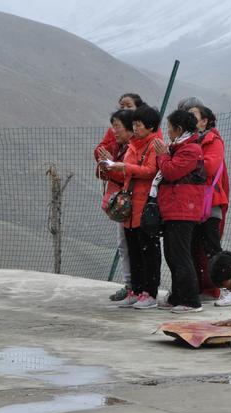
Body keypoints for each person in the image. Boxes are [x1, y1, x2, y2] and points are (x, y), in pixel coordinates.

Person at [105, 105, 162, 308]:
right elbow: (128, 173)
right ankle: (136, 291)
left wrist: (125, 167)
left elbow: (150, 170)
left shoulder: (155, 145)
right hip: (130, 208)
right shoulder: (132, 146)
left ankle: (150, 293)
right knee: (134, 250)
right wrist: (111, 167)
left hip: (146, 206)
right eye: (134, 124)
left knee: (148, 252)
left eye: (138, 125)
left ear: (150, 126)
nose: (135, 128)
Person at [94, 93, 146, 302]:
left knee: (137, 245)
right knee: (125, 244)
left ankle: (141, 289)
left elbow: (132, 172)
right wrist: (106, 161)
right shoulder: (121, 140)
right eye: (122, 105)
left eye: (129, 105)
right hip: (123, 197)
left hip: (136, 199)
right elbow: (101, 150)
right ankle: (131, 286)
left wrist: (111, 166)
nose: (114, 132)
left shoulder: (141, 140)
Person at [154, 109, 207, 313]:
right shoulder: (178, 147)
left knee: (181, 256)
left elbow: (171, 171)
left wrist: (162, 155)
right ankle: (177, 296)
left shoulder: (190, 149)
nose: (167, 132)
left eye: (169, 127)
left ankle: (191, 300)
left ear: (179, 129)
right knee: (172, 255)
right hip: (173, 209)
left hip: (183, 210)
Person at [188, 104, 231, 306]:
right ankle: (199, 288)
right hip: (193, 202)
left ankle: (222, 288)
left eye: (193, 115)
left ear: (204, 120)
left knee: (211, 248)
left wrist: (186, 162)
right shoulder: (190, 140)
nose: (189, 118)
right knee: (193, 247)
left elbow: (210, 166)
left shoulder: (213, 140)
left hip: (210, 203)